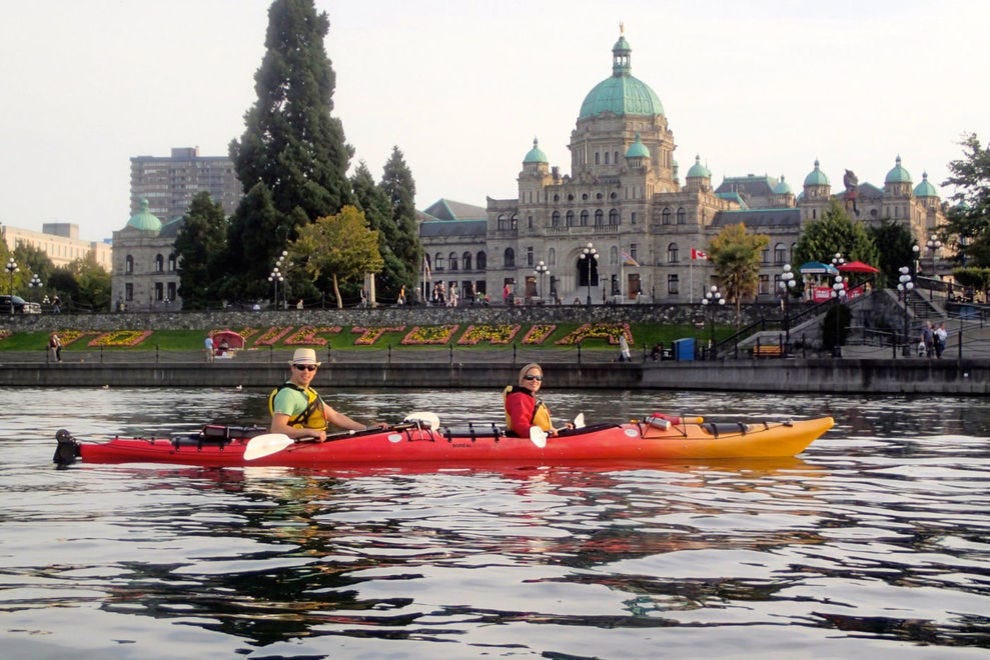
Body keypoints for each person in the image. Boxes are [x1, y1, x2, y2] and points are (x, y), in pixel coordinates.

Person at [269, 348, 379, 441]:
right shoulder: (288, 395)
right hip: (298, 445)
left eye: (311, 367)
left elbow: (335, 416)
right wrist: (310, 432)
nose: (306, 371)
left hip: (310, 441)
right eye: (301, 367)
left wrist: (367, 428)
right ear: (293, 368)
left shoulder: (308, 392)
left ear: (315, 370)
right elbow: (277, 429)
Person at [503, 363, 571, 438]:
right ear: (522, 380)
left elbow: (543, 425)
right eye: (529, 377)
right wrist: (540, 434)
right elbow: (520, 426)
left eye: (538, 378)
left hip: (541, 437)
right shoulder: (519, 398)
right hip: (531, 440)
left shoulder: (530, 397)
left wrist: (560, 430)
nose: (535, 380)